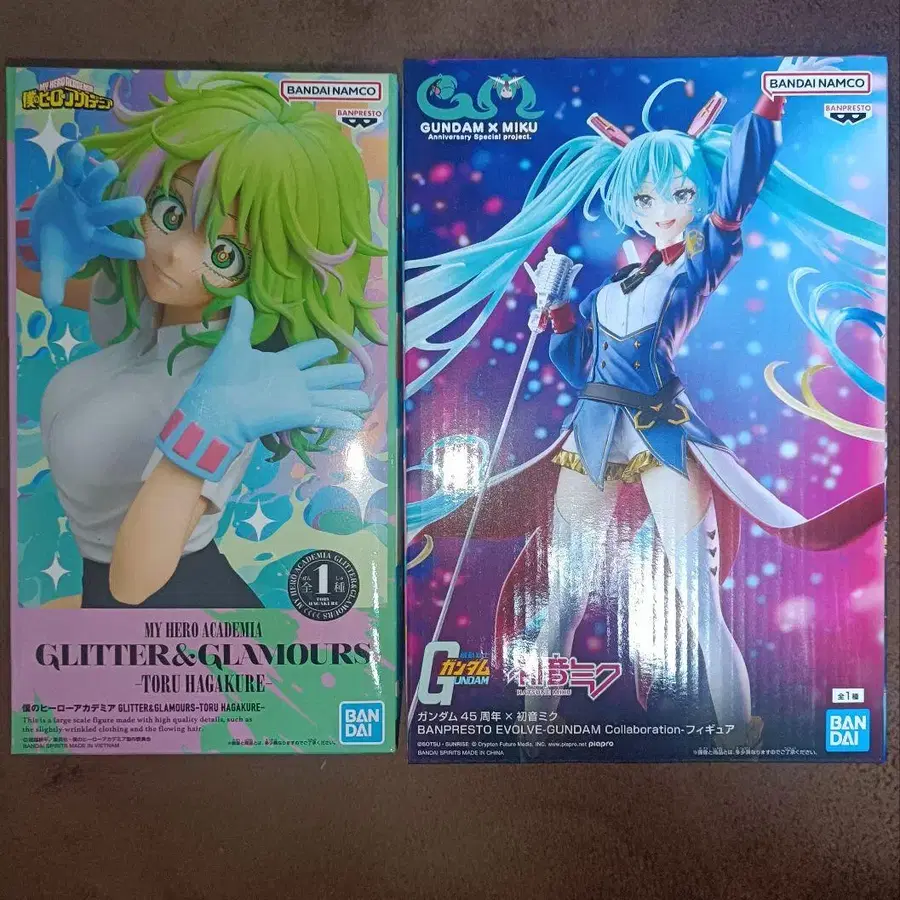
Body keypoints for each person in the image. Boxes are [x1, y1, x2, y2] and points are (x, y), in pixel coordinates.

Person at [16, 72, 384, 609]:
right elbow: (33, 281)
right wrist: (35, 229)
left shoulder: (231, 384)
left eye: (224, 254)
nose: (175, 255)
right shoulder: (141, 313)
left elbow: (132, 584)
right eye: (170, 211)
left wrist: (206, 431)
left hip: (184, 625)